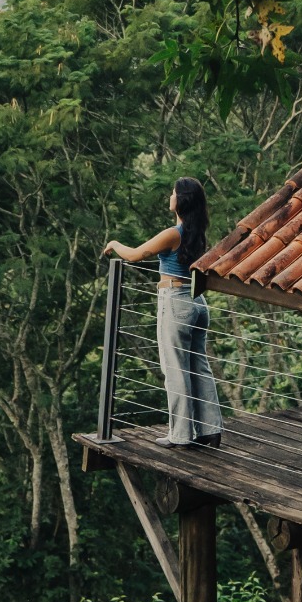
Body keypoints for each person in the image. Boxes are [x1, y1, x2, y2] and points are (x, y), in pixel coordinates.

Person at [103, 177, 224, 449]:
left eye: (172, 192)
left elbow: (135, 255)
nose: (169, 196)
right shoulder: (197, 230)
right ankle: (209, 430)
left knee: (175, 369)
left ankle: (180, 434)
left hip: (175, 301)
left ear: (180, 200)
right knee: (199, 367)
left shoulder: (174, 233)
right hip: (197, 302)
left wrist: (114, 243)